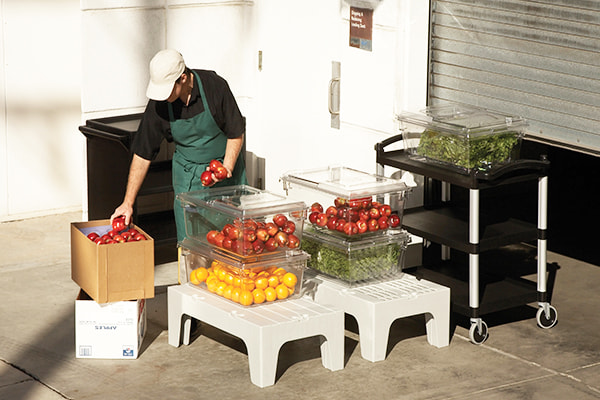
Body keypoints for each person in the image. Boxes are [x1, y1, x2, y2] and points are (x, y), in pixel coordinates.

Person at [110, 49, 247, 242]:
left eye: (167, 89)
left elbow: (235, 132)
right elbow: (143, 153)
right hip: (188, 177)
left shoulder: (215, 87)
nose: (163, 96)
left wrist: (227, 167)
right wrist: (127, 202)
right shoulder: (159, 104)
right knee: (191, 243)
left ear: (183, 78)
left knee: (232, 241)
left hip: (223, 173)